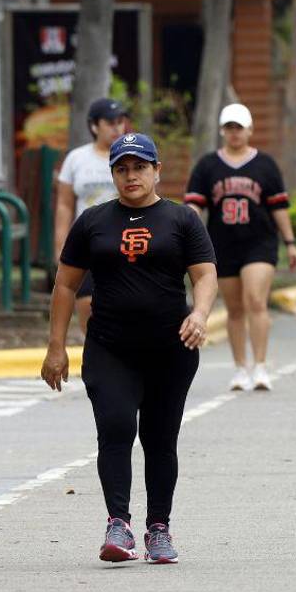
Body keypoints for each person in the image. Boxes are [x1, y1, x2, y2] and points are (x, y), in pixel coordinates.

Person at [42, 132, 218, 565]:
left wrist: (200, 314)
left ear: (157, 171)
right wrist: (56, 347)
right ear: (113, 174)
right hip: (110, 347)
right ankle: (117, 524)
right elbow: (65, 285)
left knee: (160, 439)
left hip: (170, 349)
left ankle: (159, 527)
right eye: (122, 168)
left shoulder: (182, 220)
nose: (131, 175)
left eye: (140, 167)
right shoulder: (93, 222)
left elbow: (205, 274)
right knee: (116, 427)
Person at [184, 103, 296, 392]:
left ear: (250, 130)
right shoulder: (208, 165)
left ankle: (260, 365)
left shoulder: (266, 165)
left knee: (255, 300)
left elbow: (279, 208)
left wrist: (290, 242)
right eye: (230, 128)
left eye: (239, 128)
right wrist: (186, 235)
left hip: (259, 242)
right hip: (222, 244)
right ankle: (240, 367)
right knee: (235, 308)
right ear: (223, 131)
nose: (235, 133)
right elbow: (194, 206)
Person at [53, 97, 129, 333]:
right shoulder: (77, 159)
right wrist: (61, 244)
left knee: (124, 305)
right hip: (88, 241)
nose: (117, 127)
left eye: (120, 121)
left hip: (125, 240)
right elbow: (65, 205)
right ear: (94, 126)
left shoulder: (131, 157)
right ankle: (96, 353)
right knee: (86, 304)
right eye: (110, 122)